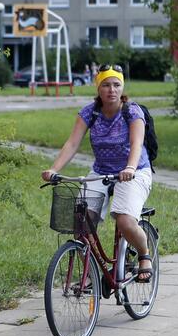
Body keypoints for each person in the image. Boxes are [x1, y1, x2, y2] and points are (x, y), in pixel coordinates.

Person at [41, 64, 154, 282]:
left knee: (125, 222)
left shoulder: (132, 111)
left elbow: (136, 143)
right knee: (80, 224)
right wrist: (54, 169)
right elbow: (72, 143)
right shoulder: (90, 112)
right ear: (98, 88)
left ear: (122, 88)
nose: (112, 90)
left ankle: (144, 254)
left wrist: (130, 168)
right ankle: (92, 271)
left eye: (116, 85)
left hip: (135, 171)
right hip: (101, 172)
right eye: (106, 85)